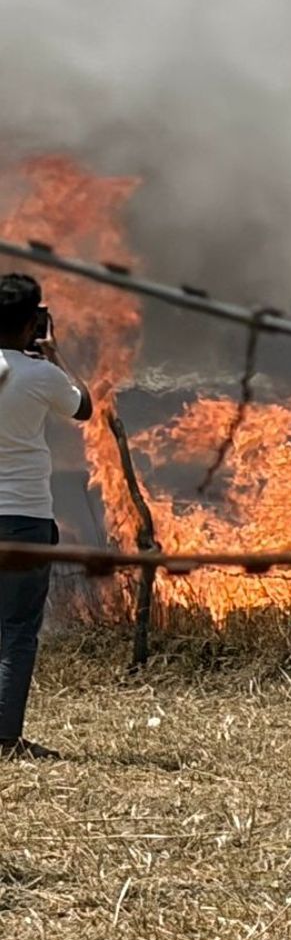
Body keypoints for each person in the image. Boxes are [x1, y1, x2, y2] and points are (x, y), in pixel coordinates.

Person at [0, 273, 93, 760]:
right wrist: (54, 353)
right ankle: (6, 737)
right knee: (16, 631)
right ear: (33, 321)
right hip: (25, 519)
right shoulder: (40, 375)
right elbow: (84, 409)